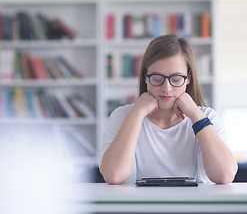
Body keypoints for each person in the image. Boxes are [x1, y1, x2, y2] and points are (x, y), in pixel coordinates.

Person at [100, 34, 238, 185]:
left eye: (177, 79)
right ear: (146, 77)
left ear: (188, 78)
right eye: (157, 78)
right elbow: (114, 176)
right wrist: (137, 113)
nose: (167, 88)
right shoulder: (123, 115)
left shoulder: (206, 116)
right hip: (140, 208)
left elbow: (225, 176)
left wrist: (196, 115)